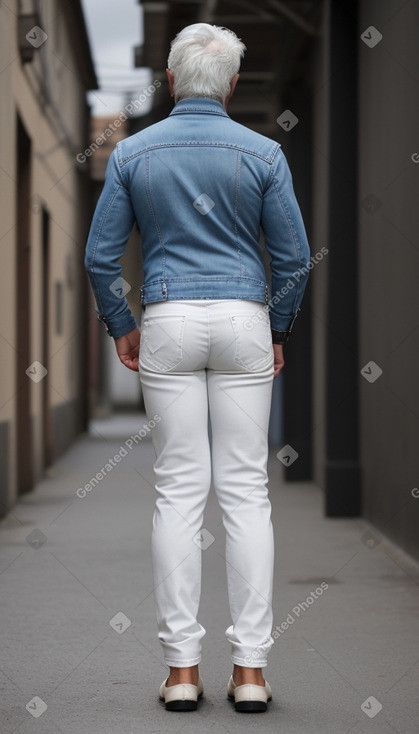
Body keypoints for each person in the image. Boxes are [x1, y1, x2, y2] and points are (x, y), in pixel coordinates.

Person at [85, 22, 310, 713]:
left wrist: (124, 327)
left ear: (173, 80)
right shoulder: (264, 153)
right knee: (245, 494)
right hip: (243, 320)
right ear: (234, 83)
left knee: (178, 494)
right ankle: (250, 673)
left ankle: (182, 672)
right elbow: (294, 260)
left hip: (169, 322)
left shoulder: (131, 152)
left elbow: (100, 257)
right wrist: (274, 329)